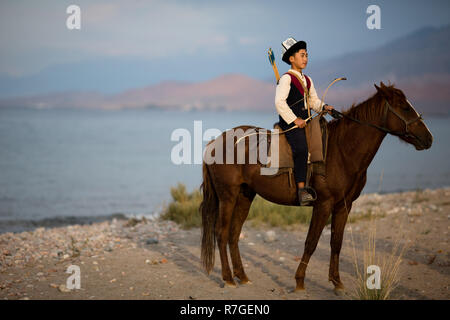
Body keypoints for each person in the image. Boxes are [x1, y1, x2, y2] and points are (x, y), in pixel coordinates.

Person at [274, 37, 334, 204]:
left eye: (307, 55)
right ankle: (301, 190)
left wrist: (324, 107)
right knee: (301, 148)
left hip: (306, 120)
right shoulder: (286, 79)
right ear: (291, 59)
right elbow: (279, 102)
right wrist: (294, 120)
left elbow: (313, 101)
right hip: (291, 122)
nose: (305, 58)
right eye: (302, 55)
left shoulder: (308, 80)